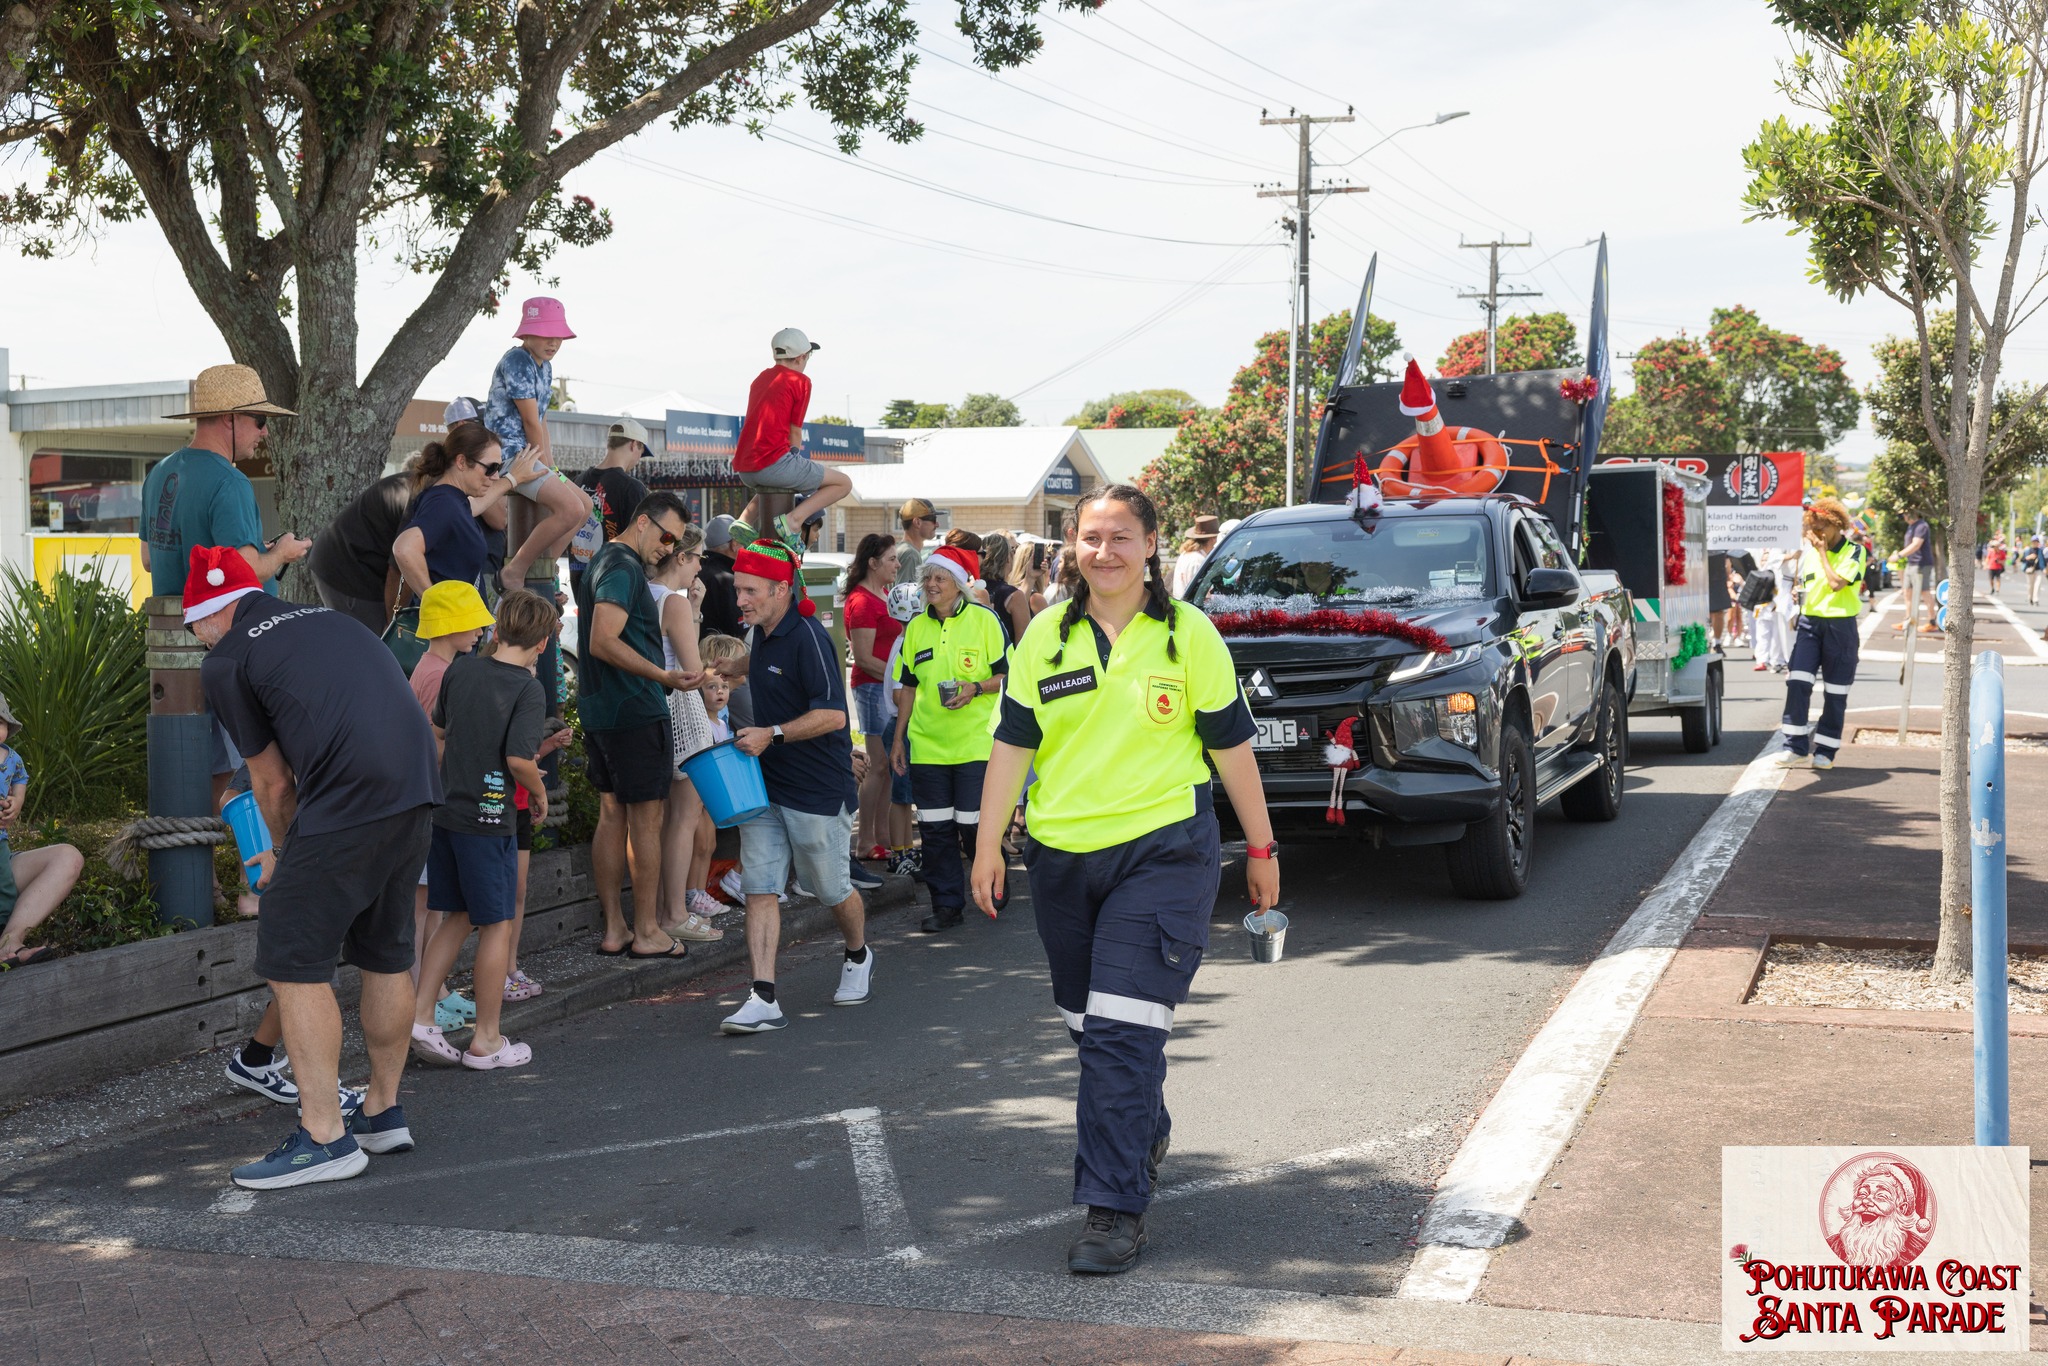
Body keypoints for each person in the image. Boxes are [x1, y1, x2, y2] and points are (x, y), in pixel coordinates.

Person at [968, 483, 1278, 1276]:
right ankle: (1142, 1124)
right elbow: (1012, 743)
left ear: (1150, 546)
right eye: (1090, 538)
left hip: (1163, 854)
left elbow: (1232, 746)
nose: (1103, 552)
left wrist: (1262, 848)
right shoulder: (1044, 637)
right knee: (1090, 1027)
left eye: (1120, 538)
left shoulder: (1188, 636)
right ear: (1073, 547)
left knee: (1119, 1032)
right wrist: (987, 844)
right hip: (1062, 858)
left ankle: (1114, 1209)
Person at [186, 545, 440, 1188]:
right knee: (386, 953)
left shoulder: (226, 659)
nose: (198, 642)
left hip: (347, 801)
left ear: (210, 615)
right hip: (416, 789)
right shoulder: (329, 619)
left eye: (194, 631)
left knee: (291, 959)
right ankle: (382, 1111)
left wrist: (280, 854)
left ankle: (324, 1136)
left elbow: (271, 784)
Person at [142, 365, 315, 805]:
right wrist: (282, 553)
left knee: (207, 770)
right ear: (230, 418)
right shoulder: (230, 481)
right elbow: (245, 569)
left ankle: (207, 854)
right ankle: (252, 852)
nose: (264, 432)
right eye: (260, 420)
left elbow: (148, 558)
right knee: (256, 771)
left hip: (178, 650)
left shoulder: (160, 472)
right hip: (234, 647)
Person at [719, 540, 873, 1035]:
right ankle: (763, 997)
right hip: (766, 788)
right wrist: (727, 671)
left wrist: (772, 733)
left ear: (781, 589)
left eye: (750, 591)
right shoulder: (761, 633)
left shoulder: (809, 636)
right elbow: (767, 672)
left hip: (817, 789)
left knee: (830, 889)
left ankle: (858, 954)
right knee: (759, 887)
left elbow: (833, 715)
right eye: (739, 589)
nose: (740, 599)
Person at [407, 589, 554, 1070]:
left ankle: (421, 1017)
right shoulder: (528, 688)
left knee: (455, 915)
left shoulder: (461, 670)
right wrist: (539, 792)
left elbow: (440, 732)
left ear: (498, 628)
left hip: (447, 813)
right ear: (543, 642)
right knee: (497, 925)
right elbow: (518, 759)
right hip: (490, 820)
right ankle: (487, 1040)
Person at [582, 491, 699, 959]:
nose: (669, 549)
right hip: (633, 709)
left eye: (676, 543)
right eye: (667, 537)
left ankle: (617, 929)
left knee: (613, 815)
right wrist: (663, 676)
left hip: (603, 710)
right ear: (644, 522)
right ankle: (647, 931)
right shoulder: (623, 566)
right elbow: (602, 640)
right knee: (646, 821)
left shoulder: (605, 559)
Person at [890, 544, 1008, 934]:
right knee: (936, 829)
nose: (931, 584)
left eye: (940, 578)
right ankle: (946, 905)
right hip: (927, 746)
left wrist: (975, 687)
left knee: (973, 825)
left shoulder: (985, 620)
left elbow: (1008, 675)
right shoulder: (916, 628)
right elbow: (908, 687)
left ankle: (992, 882)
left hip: (976, 743)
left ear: (958, 584)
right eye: (927, 578)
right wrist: (899, 740)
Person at [406, 581, 497, 1030]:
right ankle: (419, 997)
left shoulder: (433, 667)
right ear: (449, 625)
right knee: (423, 907)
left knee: (432, 904)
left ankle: (434, 991)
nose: (480, 631)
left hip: (430, 797)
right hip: (430, 797)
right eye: (472, 622)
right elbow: (435, 745)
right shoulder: (440, 675)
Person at [480, 297, 596, 591]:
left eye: (558, 336)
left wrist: (551, 466)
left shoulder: (544, 366)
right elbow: (530, 422)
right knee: (570, 508)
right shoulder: (517, 361)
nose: (554, 342)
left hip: (530, 455)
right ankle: (515, 570)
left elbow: (542, 419)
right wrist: (542, 465)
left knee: (584, 506)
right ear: (527, 333)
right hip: (509, 455)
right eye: (546, 334)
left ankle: (544, 565)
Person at [649, 528, 723, 943]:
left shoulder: (643, 592)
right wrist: (694, 611)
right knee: (684, 816)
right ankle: (674, 912)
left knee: (658, 820)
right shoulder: (672, 600)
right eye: (697, 558)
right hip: (681, 708)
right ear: (680, 558)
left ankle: (662, 910)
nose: (700, 567)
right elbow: (693, 669)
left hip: (654, 705)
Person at [726, 329, 849, 551]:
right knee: (843, 483)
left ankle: (745, 519)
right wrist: (795, 456)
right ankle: (793, 521)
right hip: (773, 466)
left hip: (746, 468)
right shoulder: (799, 381)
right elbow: (795, 432)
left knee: (777, 479)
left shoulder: (760, 379)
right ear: (800, 357)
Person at [1775, 498, 1866, 772]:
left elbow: (1837, 584)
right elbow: (1808, 583)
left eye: (1820, 528)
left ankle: (1826, 751)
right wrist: (1798, 595)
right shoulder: (1810, 552)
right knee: (1797, 681)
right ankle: (1795, 747)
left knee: (1835, 692)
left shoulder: (1854, 551)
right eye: (1811, 529)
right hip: (1809, 624)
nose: (1815, 534)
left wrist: (1823, 553)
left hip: (1840, 627)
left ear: (1836, 525)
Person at [393, 424, 536, 596]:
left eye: (498, 468)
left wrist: (513, 478)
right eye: (491, 468)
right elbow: (404, 548)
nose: (495, 476)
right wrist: (435, 602)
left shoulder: (452, 499)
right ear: (461, 462)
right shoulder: (445, 503)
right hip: (452, 612)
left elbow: (475, 505)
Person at [0, 695, 83, 970]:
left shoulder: (10, 759)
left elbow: (19, 780)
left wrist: (16, 803)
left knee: (68, 857)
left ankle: (9, 943)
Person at [843, 533, 904, 861]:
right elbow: (864, 658)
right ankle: (865, 840)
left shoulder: (882, 595)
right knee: (878, 764)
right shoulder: (863, 601)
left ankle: (881, 835)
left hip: (883, 688)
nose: (897, 564)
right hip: (871, 687)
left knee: (887, 765)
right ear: (873, 563)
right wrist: (900, 680)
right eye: (891, 559)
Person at [309, 464, 416, 635]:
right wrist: (393, 623)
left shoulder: (440, 491)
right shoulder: (425, 498)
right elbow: (402, 567)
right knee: (379, 641)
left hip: (366, 563)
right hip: (348, 568)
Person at [569, 419, 654, 628]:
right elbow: (641, 543)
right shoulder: (632, 488)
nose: (638, 460)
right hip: (616, 592)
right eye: (640, 452)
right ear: (634, 444)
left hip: (581, 585)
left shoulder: (579, 481)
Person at [880, 582, 924, 880]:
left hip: (902, 725)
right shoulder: (907, 644)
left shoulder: (905, 639)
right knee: (901, 795)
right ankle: (899, 854)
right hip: (902, 726)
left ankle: (907, 849)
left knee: (906, 794)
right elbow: (899, 694)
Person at [981, 532, 1033, 645]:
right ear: (1007, 558)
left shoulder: (971, 589)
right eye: (1012, 552)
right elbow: (1023, 644)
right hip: (1006, 655)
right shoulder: (1014, 596)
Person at [698, 514, 744, 639]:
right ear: (734, 544)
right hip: (725, 648)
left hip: (702, 645)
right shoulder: (727, 578)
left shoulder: (699, 569)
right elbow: (739, 628)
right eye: (742, 542)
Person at [1897, 507, 1938, 634]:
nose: (1904, 517)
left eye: (1904, 514)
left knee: (1924, 591)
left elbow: (1916, 544)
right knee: (1907, 591)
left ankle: (1932, 621)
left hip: (1921, 564)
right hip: (1911, 563)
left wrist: (1899, 555)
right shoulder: (1911, 526)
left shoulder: (1921, 526)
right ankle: (1908, 620)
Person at [1169, 516, 1219, 597]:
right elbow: (1201, 595)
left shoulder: (1185, 554)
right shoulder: (1198, 561)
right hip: (1190, 605)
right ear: (1213, 539)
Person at [894, 499, 939, 586]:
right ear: (917, 522)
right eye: (933, 519)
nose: (937, 524)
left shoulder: (901, 549)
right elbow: (905, 594)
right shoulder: (910, 554)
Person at [2024, 534, 2047, 606]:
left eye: (2036, 541)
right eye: (2033, 541)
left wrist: (2044, 569)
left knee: (2037, 585)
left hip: (2038, 570)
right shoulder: (2028, 550)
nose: (2035, 543)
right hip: (2030, 570)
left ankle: (2035, 599)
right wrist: (2029, 557)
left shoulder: (2040, 551)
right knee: (2030, 585)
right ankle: (2030, 598)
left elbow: (2042, 560)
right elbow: (2023, 559)